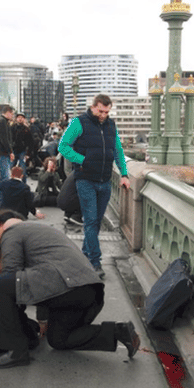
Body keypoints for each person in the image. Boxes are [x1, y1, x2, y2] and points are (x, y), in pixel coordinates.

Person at [0, 210, 140, 369]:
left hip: (67, 285)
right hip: (88, 290)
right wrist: (42, 320)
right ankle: (118, 331)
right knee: (59, 339)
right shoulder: (39, 230)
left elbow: (12, 276)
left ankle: (14, 351)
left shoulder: (11, 231)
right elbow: (38, 279)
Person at [58, 94, 130, 279]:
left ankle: (84, 254)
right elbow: (63, 146)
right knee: (90, 221)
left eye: (107, 111)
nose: (104, 115)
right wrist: (83, 160)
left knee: (96, 222)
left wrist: (123, 174)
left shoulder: (111, 125)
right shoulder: (78, 123)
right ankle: (95, 262)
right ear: (93, 107)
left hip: (105, 180)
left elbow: (118, 150)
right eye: (101, 111)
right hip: (85, 179)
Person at [0, 106, 14, 182]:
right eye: (12, 114)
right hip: (2, 153)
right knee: (5, 177)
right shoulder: (2, 122)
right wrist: (10, 151)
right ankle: (3, 193)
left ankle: (1, 194)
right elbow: (4, 139)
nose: (12, 116)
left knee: (3, 177)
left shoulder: (1, 120)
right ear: (7, 112)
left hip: (0, 153)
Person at [11, 113, 34, 181]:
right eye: (18, 117)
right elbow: (9, 139)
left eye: (22, 117)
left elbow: (30, 142)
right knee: (11, 168)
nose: (20, 119)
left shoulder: (26, 129)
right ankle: (12, 184)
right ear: (16, 119)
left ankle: (24, 184)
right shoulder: (12, 128)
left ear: (24, 119)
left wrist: (28, 153)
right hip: (14, 150)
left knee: (23, 169)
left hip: (23, 151)